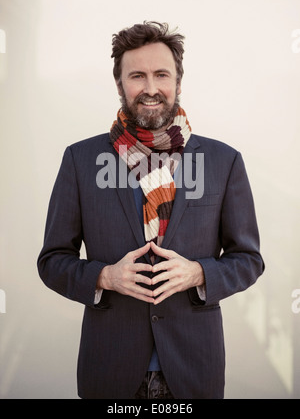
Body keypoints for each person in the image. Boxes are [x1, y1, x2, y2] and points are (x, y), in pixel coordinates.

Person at [37, 21, 264, 399]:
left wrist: (197, 273)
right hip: (109, 368)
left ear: (178, 82)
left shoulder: (223, 161)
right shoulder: (80, 160)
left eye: (162, 74)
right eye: (137, 75)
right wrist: (105, 277)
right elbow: (52, 261)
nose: (151, 88)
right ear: (119, 84)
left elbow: (249, 260)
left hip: (195, 369)